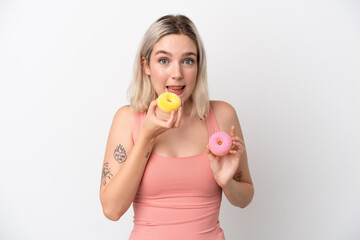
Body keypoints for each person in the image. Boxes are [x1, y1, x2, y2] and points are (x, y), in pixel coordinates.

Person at [100, 14, 254, 240]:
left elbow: (245, 198)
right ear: (146, 65)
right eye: (164, 60)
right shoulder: (128, 119)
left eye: (188, 60)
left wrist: (226, 182)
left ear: (198, 66)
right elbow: (112, 210)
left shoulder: (221, 115)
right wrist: (147, 138)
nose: (177, 74)